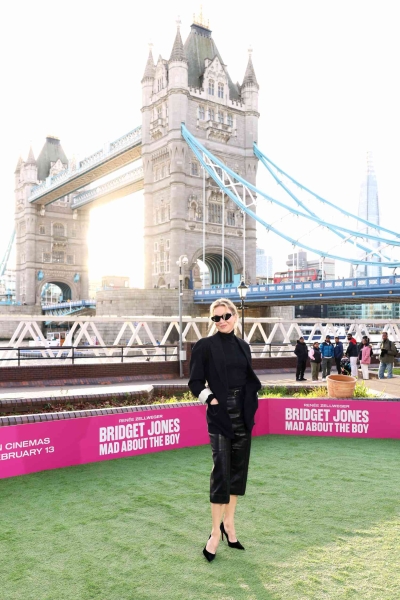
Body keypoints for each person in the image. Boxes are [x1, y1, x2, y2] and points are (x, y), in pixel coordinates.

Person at [188, 298, 261, 562]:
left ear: (236, 316)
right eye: (216, 318)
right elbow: (195, 382)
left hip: (243, 413)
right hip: (220, 414)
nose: (222, 321)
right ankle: (214, 534)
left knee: (237, 472)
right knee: (221, 471)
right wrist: (211, 400)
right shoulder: (204, 346)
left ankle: (229, 525)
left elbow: (247, 379)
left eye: (226, 315)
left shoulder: (244, 346)